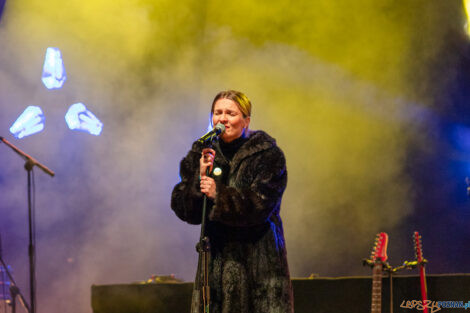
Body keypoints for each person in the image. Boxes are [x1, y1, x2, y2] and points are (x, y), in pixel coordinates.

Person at [171, 90, 294, 313]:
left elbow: (260, 205)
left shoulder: (268, 155)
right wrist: (199, 179)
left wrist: (220, 195)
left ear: (246, 120)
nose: (223, 118)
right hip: (215, 267)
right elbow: (184, 209)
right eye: (217, 112)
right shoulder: (201, 153)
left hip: (258, 267)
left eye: (231, 113)